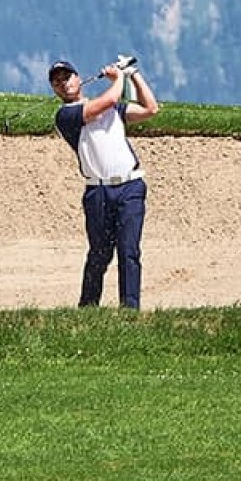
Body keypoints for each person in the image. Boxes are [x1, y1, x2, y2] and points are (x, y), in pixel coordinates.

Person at [48, 56, 160, 309]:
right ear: (54, 90)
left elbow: (150, 108)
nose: (63, 84)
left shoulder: (114, 111)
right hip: (97, 191)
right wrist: (119, 77)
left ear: (78, 79)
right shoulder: (66, 116)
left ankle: (130, 309)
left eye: (67, 77)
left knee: (128, 251)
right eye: (57, 82)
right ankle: (88, 307)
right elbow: (109, 99)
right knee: (99, 253)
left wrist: (133, 74)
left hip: (130, 186)